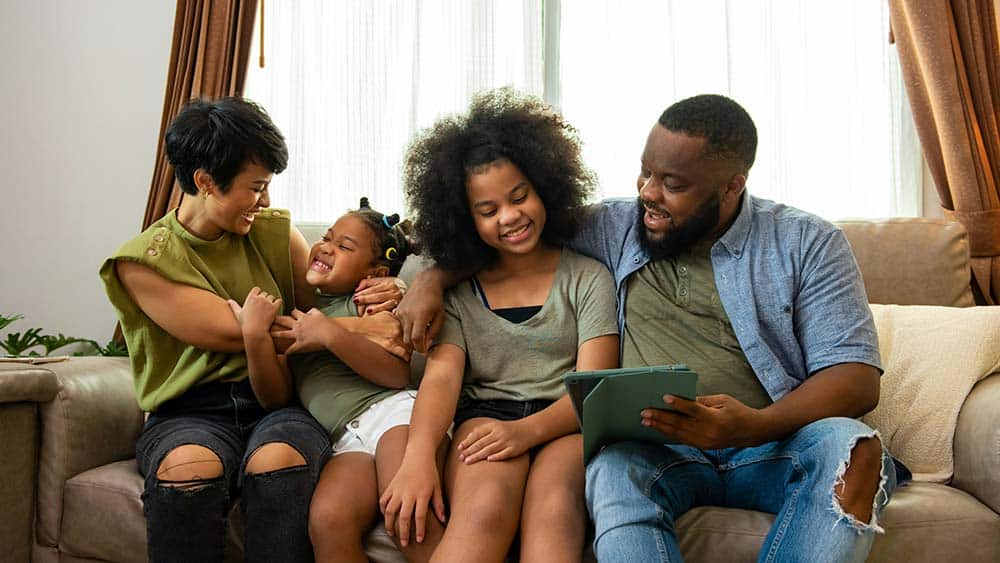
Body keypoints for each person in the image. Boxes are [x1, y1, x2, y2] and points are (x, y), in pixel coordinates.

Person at [396, 94, 905, 563]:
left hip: (770, 442)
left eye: (673, 184)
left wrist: (750, 424)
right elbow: (514, 238)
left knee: (855, 447)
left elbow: (856, 378)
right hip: (656, 447)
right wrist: (432, 279)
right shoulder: (617, 224)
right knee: (614, 470)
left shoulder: (808, 243)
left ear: (733, 185)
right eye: (644, 174)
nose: (648, 194)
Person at [100, 97, 402, 562]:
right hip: (189, 412)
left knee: (279, 461)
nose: (265, 201)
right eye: (256, 187)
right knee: (187, 470)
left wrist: (393, 291)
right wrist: (358, 331)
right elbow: (238, 333)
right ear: (205, 181)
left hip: (283, 401)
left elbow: (328, 304)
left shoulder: (276, 232)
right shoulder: (143, 262)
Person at [379, 88, 620, 562]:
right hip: (485, 417)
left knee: (554, 509)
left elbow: (594, 390)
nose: (510, 217)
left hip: (565, 422)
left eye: (519, 197)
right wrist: (419, 456)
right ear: (465, 219)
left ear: (545, 187)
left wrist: (526, 433)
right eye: (488, 211)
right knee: (484, 508)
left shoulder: (588, 278)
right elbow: (442, 376)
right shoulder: (459, 291)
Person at [231, 197, 445, 563]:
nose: (327, 247)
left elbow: (395, 375)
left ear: (375, 273)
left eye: (344, 246)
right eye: (328, 238)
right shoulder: (298, 315)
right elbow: (275, 398)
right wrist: (256, 339)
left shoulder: (368, 301)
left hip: (396, 417)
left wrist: (331, 334)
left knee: (406, 514)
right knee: (328, 520)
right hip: (345, 437)